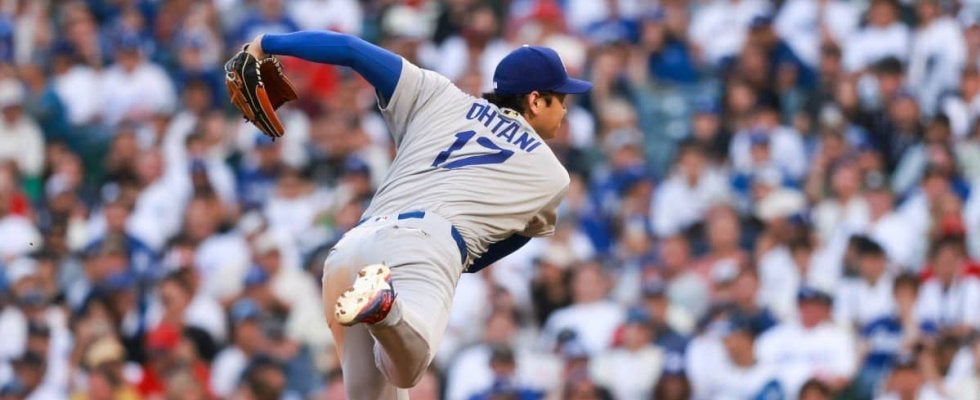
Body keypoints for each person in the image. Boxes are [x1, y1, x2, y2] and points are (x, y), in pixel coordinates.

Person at [241, 29, 591, 399]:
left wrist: (265, 44)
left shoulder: (441, 95)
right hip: (424, 243)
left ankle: (382, 305)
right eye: (560, 99)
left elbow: (350, 49)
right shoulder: (552, 176)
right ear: (535, 100)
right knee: (407, 368)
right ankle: (385, 308)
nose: (565, 110)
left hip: (352, 247)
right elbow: (483, 257)